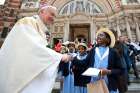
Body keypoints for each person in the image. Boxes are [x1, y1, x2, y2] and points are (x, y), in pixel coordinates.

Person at [0, 5, 71, 93]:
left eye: (55, 16)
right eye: (51, 14)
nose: (53, 18)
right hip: (21, 72)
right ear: (41, 12)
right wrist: (60, 56)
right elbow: (34, 47)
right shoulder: (27, 22)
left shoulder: (41, 30)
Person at [74, 28, 125, 93]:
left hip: (109, 84)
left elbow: (121, 70)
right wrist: (73, 59)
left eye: (101, 35)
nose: (98, 36)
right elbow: (84, 63)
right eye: (98, 35)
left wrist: (108, 71)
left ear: (108, 39)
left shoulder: (113, 52)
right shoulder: (93, 50)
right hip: (94, 83)